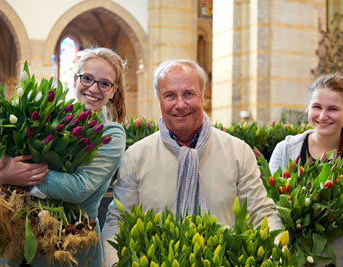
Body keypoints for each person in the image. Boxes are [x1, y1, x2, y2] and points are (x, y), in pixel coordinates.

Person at [101, 59, 283, 266]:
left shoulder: (238, 151)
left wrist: (277, 257)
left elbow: (261, 213)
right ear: (159, 100)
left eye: (188, 93)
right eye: (170, 95)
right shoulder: (136, 156)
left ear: (203, 95)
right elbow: (118, 220)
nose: (180, 104)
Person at [0, 47, 127, 267]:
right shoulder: (48, 116)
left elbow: (79, 188)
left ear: (113, 91)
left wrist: (11, 175)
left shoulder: (110, 133)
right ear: (75, 79)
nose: (94, 88)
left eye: (104, 83)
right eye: (87, 78)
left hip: (71, 248)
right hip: (24, 244)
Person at [269, 73, 343, 267]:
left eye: (333, 109)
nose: (322, 116)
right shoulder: (285, 150)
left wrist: (312, 262)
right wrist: (286, 254)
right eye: (317, 107)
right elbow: (268, 207)